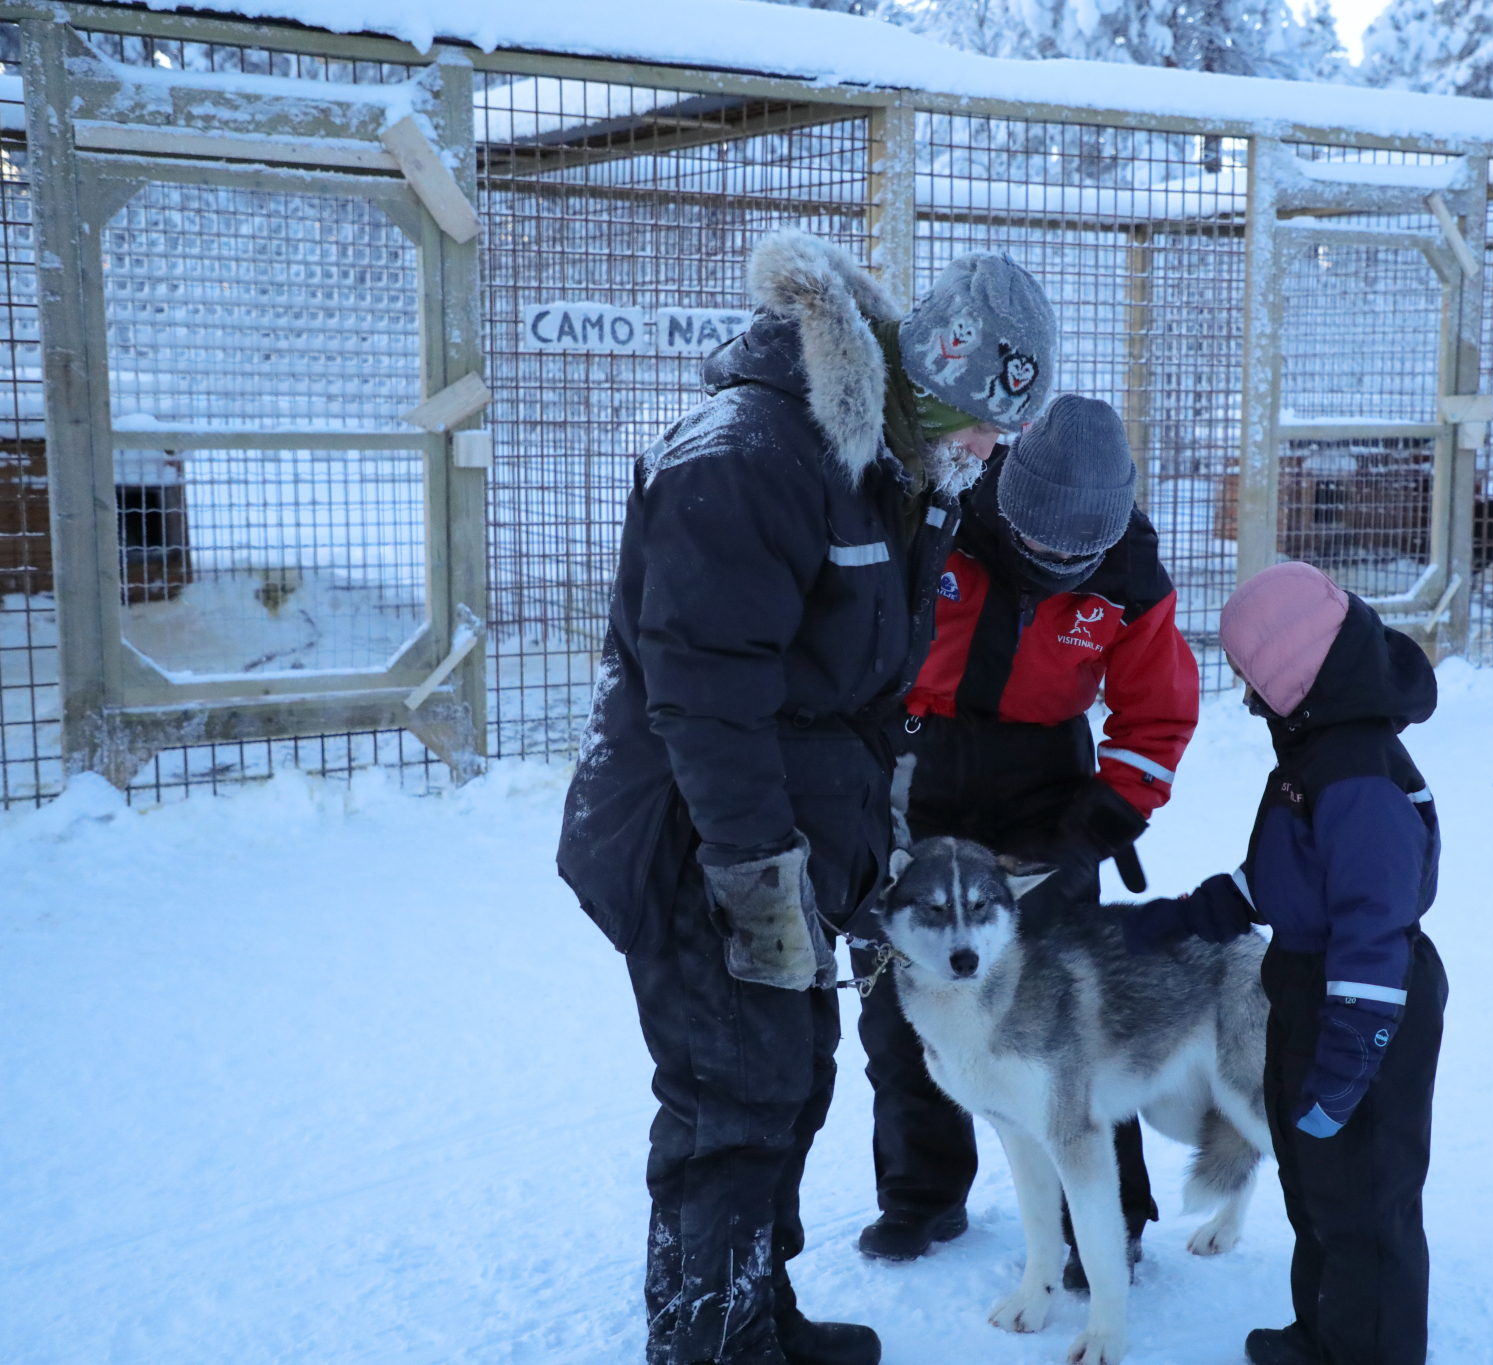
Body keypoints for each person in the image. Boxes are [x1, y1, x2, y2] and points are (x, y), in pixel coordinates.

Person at [556, 230, 1058, 1365]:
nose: (990, 448)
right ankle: (710, 1346)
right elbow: (703, 696)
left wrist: (867, 829)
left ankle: (753, 1317)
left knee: (790, 1078)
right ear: (932, 376)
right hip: (701, 842)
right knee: (729, 1102)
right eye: (984, 417)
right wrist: (755, 878)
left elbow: (858, 693)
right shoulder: (746, 457)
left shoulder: (885, 468)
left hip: (786, 837)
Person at [853, 394, 1200, 1291]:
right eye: (1038, 548)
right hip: (919, 766)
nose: (1053, 566)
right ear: (1008, 505)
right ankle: (922, 1190)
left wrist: (1105, 816)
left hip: (1047, 788)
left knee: (1068, 1017)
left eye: (1070, 557)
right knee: (903, 997)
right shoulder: (943, 508)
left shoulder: (1129, 572)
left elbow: (1156, 712)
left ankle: (1109, 1219)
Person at [1121, 561, 1446, 1365]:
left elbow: (1375, 930)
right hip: (1308, 985)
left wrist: (1350, 1060)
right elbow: (1278, 878)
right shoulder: (1317, 754)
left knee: (1367, 1199)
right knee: (1320, 1190)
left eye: (1252, 681)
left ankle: (1371, 1351)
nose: (1248, 699)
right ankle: (1326, 1333)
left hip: (1367, 1006)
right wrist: (1174, 921)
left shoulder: (1357, 774)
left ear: (1294, 671)